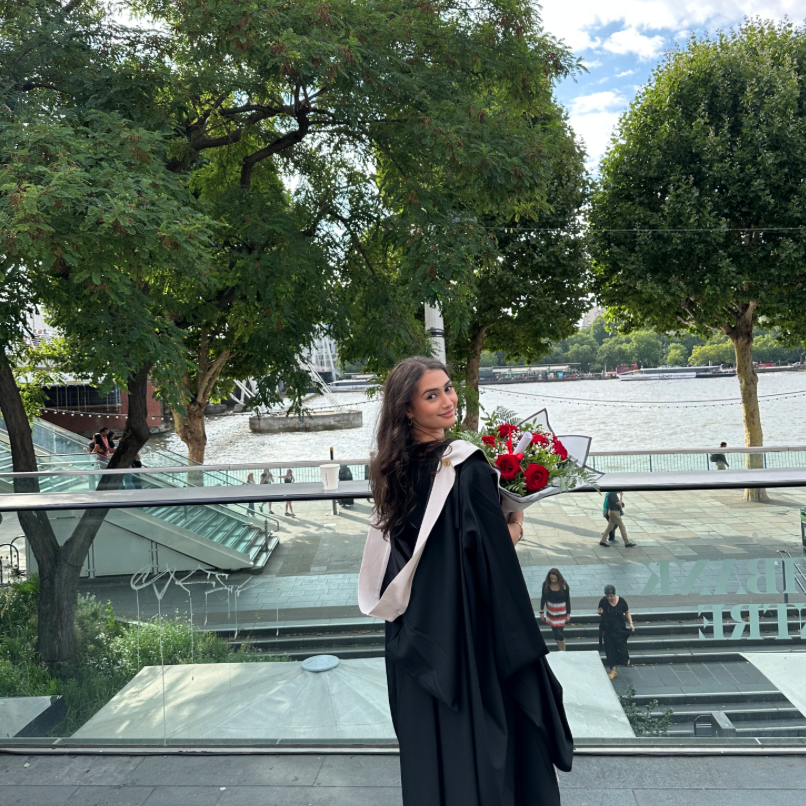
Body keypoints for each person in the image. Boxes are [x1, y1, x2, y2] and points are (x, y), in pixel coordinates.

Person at [358, 356, 572, 806]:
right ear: (408, 409)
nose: (448, 401)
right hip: (466, 634)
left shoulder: (388, 469)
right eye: (432, 395)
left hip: (414, 633)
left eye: (449, 388)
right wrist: (515, 526)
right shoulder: (467, 467)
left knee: (431, 750)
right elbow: (489, 558)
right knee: (483, 748)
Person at [598, 584, 634, 680]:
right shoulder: (603, 601)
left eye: (611, 596)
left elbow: (627, 612)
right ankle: (613, 670)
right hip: (608, 628)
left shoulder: (621, 601)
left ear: (615, 594)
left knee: (622, 646)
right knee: (609, 649)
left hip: (619, 628)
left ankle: (625, 659)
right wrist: (600, 612)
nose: (609, 598)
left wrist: (631, 623)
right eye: (607, 596)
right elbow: (599, 610)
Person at [539, 568, 571, 651]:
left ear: (558, 577)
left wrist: (568, 613)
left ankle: (563, 650)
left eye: (554, 578)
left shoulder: (564, 586)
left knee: (559, 632)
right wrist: (541, 611)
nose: (553, 580)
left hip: (561, 612)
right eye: (551, 578)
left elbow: (567, 600)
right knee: (555, 633)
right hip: (551, 612)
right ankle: (560, 649)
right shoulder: (546, 585)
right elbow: (543, 598)